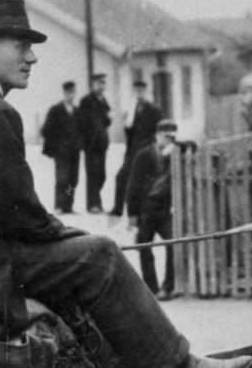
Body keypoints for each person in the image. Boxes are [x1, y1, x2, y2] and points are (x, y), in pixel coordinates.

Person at [0, 0, 252, 368]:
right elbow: (21, 216)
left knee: (76, 253)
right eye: (21, 46)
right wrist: (75, 237)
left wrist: (61, 235)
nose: (32, 58)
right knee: (101, 255)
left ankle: (114, 361)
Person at [126, 118, 179, 300]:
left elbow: (192, 146)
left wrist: (177, 146)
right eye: (166, 137)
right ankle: (152, 289)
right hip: (145, 211)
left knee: (174, 244)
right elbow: (133, 186)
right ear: (157, 135)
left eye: (173, 137)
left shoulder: (175, 154)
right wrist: (132, 216)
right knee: (144, 248)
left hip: (164, 212)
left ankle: (168, 287)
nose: (169, 140)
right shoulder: (143, 155)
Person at [109, 79, 163, 218]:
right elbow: (129, 133)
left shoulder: (154, 109)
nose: (139, 94)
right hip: (132, 151)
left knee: (142, 182)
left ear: (146, 92)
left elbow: (157, 132)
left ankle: (141, 211)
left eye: (141, 91)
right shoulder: (131, 109)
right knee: (121, 177)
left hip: (146, 151)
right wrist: (126, 123)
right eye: (136, 91)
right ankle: (118, 209)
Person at [39, 80, 81, 214]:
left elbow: (83, 130)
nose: (71, 95)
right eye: (68, 92)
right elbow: (45, 129)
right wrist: (56, 144)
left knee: (72, 179)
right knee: (62, 178)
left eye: (73, 92)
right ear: (64, 93)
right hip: (61, 151)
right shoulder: (56, 110)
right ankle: (59, 206)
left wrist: (80, 143)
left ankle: (68, 206)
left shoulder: (77, 111)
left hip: (74, 151)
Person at [76, 72, 111, 213]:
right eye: (99, 83)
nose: (102, 86)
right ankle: (92, 205)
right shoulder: (86, 101)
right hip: (91, 144)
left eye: (104, 83)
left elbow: (106, 121)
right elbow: (84, 122)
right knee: (93, 174)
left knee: (101, 174)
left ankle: (98, 203)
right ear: (93, 84)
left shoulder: (103, 100)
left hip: (102, 144)